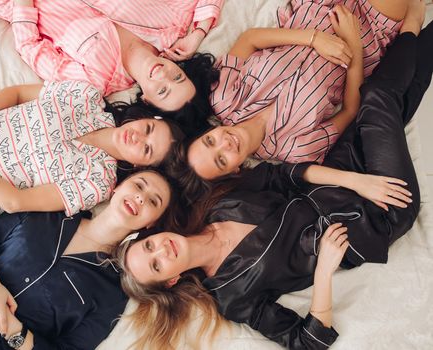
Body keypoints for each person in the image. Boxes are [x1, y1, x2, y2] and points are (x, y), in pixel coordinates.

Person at [116, 5, 431, 348]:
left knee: (389, 99)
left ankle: (415, 32)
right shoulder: (232, 295)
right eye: (157, 265)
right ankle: (414, 21)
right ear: (172, 281)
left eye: (148, 246)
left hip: (340, 172)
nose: (160, 250)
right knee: (379, 97)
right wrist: (324, 269)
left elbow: (287, 175)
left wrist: (354, 180)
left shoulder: (216, 207)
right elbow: (308, 341)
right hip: (370, 217)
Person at [0, 80, 184, 259]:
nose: (138, 137)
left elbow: (14, 202)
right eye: (148, 129)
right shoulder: (85, 97)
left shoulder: (98, 181)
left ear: (140, 166)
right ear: (147, 118)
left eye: (146, 149)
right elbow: (17, 93)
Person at [0, 169, 175, 349]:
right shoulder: (46, 214)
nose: (141, 196)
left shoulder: (111, 295)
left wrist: (15, 331)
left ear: (151, 223)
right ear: (117, 188)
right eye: (139, 185)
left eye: (153, 201)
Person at [186, 0, 415, 180]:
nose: (224, 143)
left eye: (210, 141)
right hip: (366, 31)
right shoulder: (297, 150)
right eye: (221, 160)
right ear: (235, 171)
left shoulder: (224, 97)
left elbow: (250, 39)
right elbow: (350, 111)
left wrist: (314, 39)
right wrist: (353, 42)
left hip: (314, 8)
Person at [0, 0, 223, 133]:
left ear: (147, 101)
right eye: (178, 78)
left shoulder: (95, 80)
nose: (165, 75)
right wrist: (199, 32)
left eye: (162, 90)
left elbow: (29, 46)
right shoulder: (172, 26)